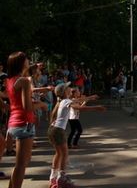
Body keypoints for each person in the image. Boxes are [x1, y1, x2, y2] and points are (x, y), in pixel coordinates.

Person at [48, 82, 105, 188]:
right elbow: (79, 107)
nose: (70, 89)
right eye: (68, 88)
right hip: (58, 131)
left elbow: (78, 101)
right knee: (64, 154)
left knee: (59, 154)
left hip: (52, 129)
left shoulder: (62, 101)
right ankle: (61, 178)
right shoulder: (66, 101)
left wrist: (91, 97)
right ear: (65, 91)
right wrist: (96, 108)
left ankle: (53, 177)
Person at [6, 51, 47, 188]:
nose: (28, 61)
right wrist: (41, 104)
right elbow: (27, 107)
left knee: (21, 163)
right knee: (22, 164)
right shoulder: (23, 81)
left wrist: (36, 66)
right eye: (26, 59)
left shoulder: (11, 80)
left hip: (15, 122)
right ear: (22, 63)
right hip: (24, 123)